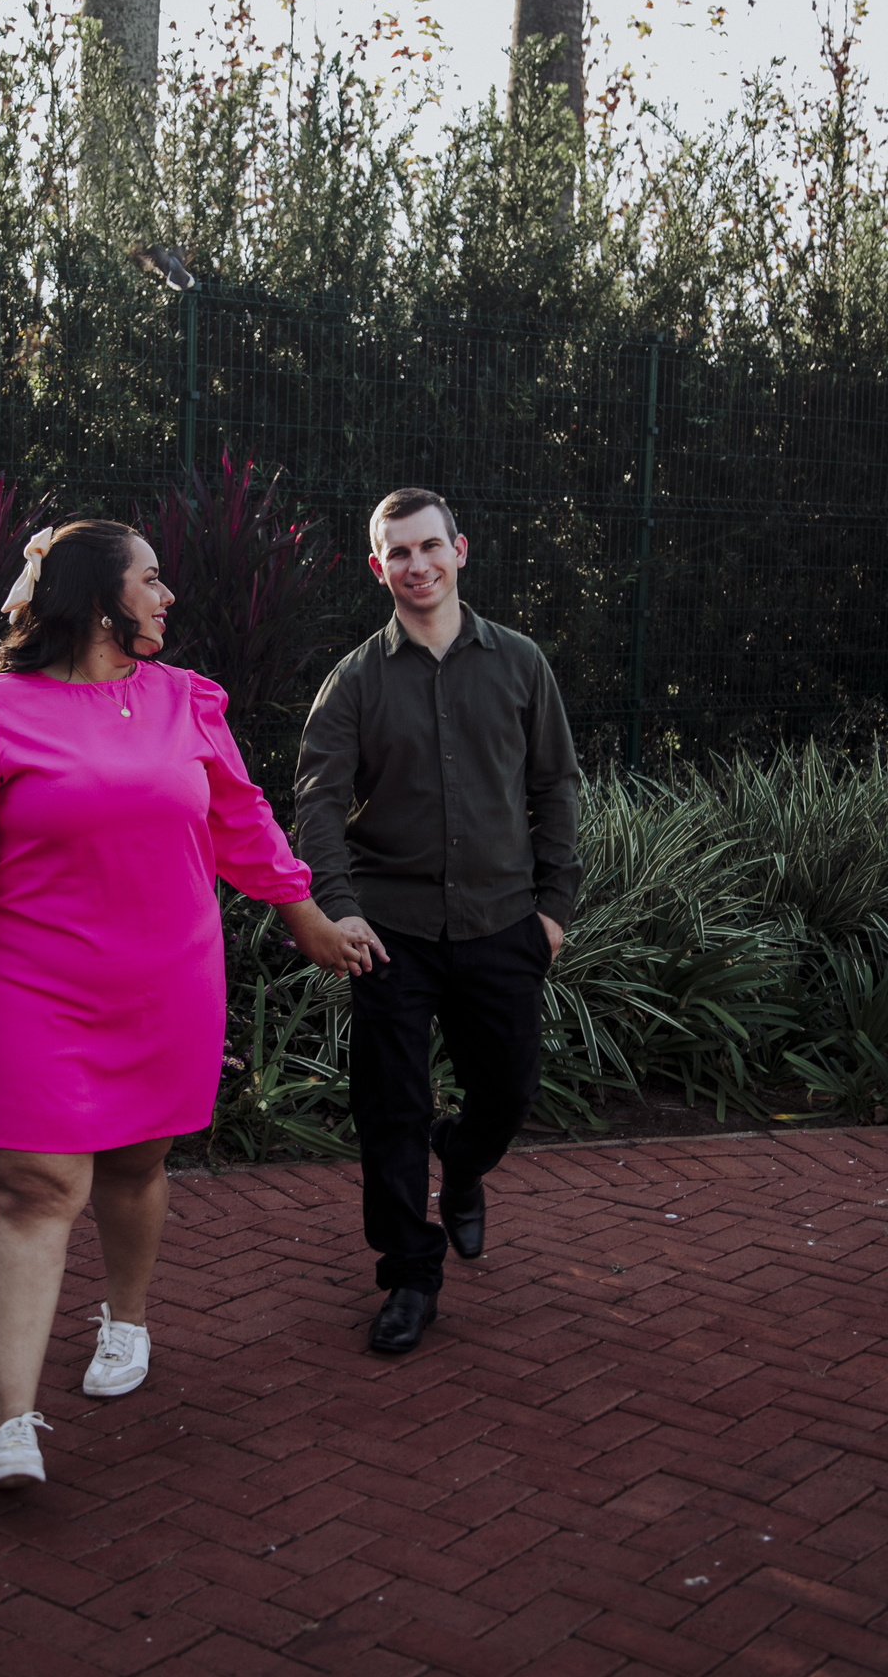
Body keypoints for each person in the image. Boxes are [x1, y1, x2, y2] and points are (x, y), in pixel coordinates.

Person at [0, 518, 371, 1488]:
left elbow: (242, 823)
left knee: (135, 1164)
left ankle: (127, 1319)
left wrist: (308, 919)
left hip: (165, 979)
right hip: (27, 984)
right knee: (36, 1187)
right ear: (98, 597)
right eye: (150, 579)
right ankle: (12, 1423)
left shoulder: (187, 701)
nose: (166, 596)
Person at [294, 488, 582, 1354]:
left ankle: (462, 1161)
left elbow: (555, 786)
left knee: (510, 1092)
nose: (416, 566)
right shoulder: (354, 681)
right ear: (377, 567)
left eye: (429, 547)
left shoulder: (521, 663)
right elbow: (317, 802)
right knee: (390, 1110)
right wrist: (341, 910)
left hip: (503, 923)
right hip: (392, 932)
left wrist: (554, 910)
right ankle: (410, 1275)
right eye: (399, 553)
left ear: (460, 550)